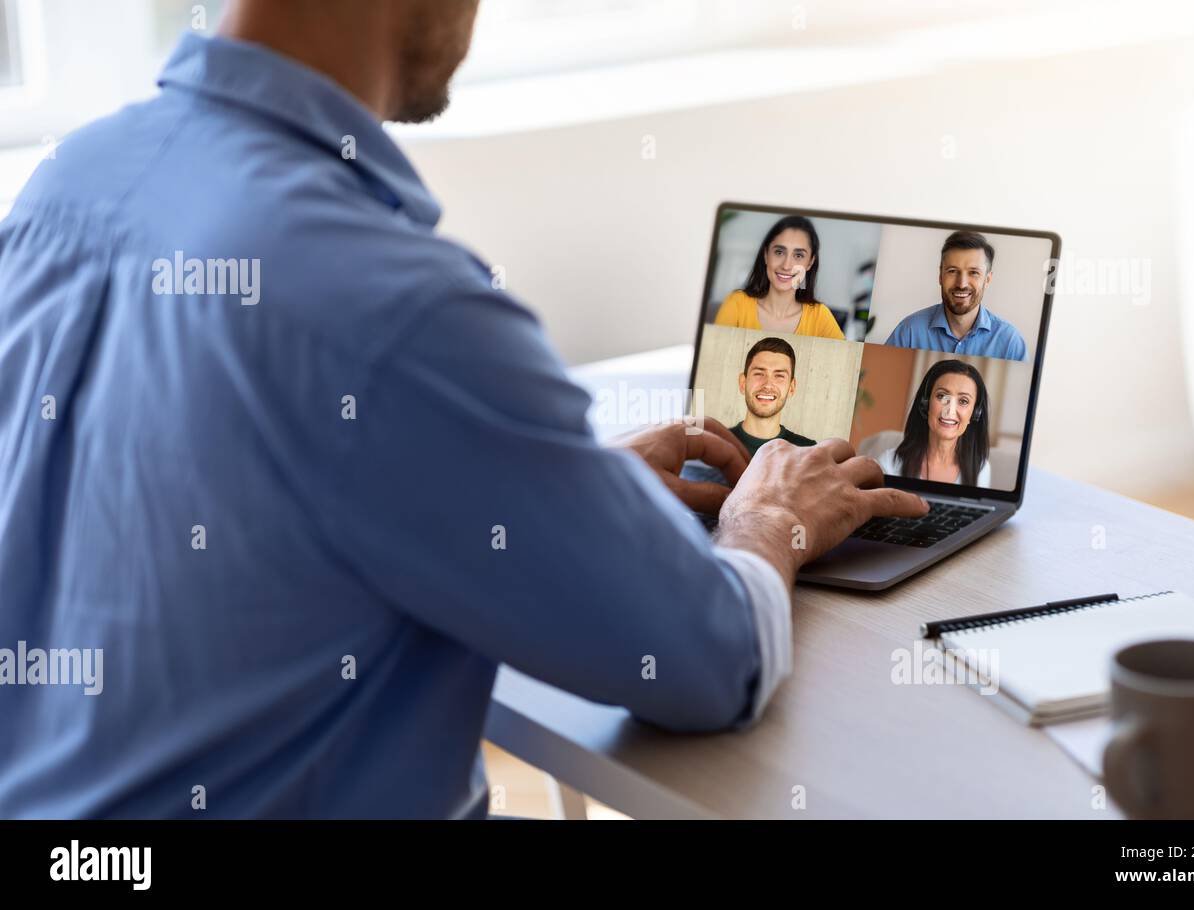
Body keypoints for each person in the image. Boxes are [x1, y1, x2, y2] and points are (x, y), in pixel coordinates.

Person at [0, 0, 928, 818]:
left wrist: (547, 485)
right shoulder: (395, 308)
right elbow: (709, 664)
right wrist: (770, 519)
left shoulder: (68, 183)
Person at [883, 231, 1027, 361]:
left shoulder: (1010, 343)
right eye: (952, 271)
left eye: (973, 272)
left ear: (987, 279)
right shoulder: (909, 331)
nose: (962, 284)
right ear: (940, 275)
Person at [713, 215, 845, 339]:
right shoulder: (737, 303)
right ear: (766, 255)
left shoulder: (819, 316)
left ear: (810, 262)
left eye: (798, 255)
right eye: (779, 252)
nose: (786, 266)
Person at [877, 360, 992, 487]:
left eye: (963, 401)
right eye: (942, 396)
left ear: (975, 414)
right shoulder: (889, 463)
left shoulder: (980, 469)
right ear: (925, 404)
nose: (950, 411)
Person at [728, 338, 816, 458]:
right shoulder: (715, 444)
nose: (768, 385)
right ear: (743, 383)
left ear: (791, 387)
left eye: (779, 376)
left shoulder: (808, 452)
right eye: (759, 373)